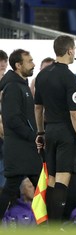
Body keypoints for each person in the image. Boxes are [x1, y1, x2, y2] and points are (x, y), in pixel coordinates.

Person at [34, 35, 76, 222]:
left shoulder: (42, 75)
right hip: (66, 133)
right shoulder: (69, 77)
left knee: (50, 180)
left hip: (49, 131)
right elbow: (75, 113)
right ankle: (55, 228)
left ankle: (48, 226)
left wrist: (40, 133)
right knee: (62, 180)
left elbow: (38, 108)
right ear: (70, 50)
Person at [0, 49, 41, 220]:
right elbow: (12, 120)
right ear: (18, 65)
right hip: (19, 150)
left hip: (26, 150)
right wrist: (33, 136)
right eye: (29, 61)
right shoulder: (13, 87)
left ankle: (46, 226)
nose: (33, 64)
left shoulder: (21, 85)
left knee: (42, 190)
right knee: (13, 190)